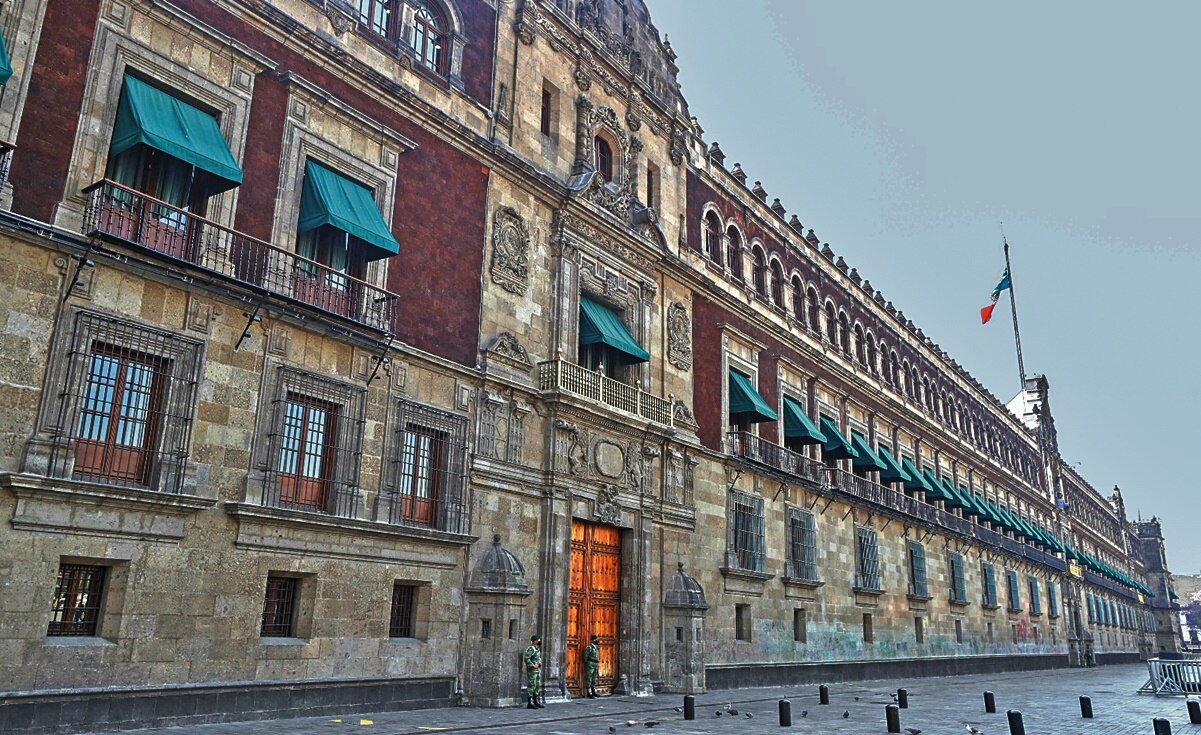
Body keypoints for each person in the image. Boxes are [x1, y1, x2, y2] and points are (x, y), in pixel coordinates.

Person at [524, 634, 543, 709]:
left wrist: (539, 664)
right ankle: (530, 703)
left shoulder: (537, 649)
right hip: (532, 671)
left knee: (537, 685)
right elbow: (526, 658)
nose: (539, 641)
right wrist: (532, 665)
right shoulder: (531, 649)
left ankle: (535, 701)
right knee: (532, 685)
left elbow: (539, 659)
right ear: (535, 641)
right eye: (538, 640)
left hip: (537, 670)